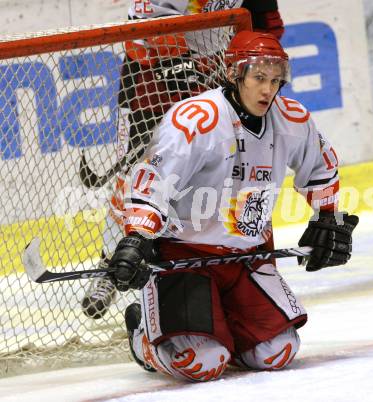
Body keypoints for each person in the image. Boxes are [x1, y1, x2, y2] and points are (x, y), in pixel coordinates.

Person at [108, 30, 359, 381]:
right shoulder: (197, 119)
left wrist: (329, 219)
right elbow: (153, 179)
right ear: (234, 74)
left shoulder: (292, 119)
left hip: (247, 256)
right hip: (184, 257)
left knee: (276, 352)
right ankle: (143, 339)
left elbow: (322, 166)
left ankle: (221, 321)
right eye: (258, 78)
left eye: (274, 80)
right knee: (199, 363)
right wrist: (137, 238)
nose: (267, 90)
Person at [81, 0, 286, 319]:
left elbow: (265, 20)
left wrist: (264, 63)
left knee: (225, 169)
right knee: (139, 177)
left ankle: (231, 259)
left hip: (214, 68)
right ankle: (110, 263)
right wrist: (179, 66)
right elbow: (148, 15)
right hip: (150, 76)